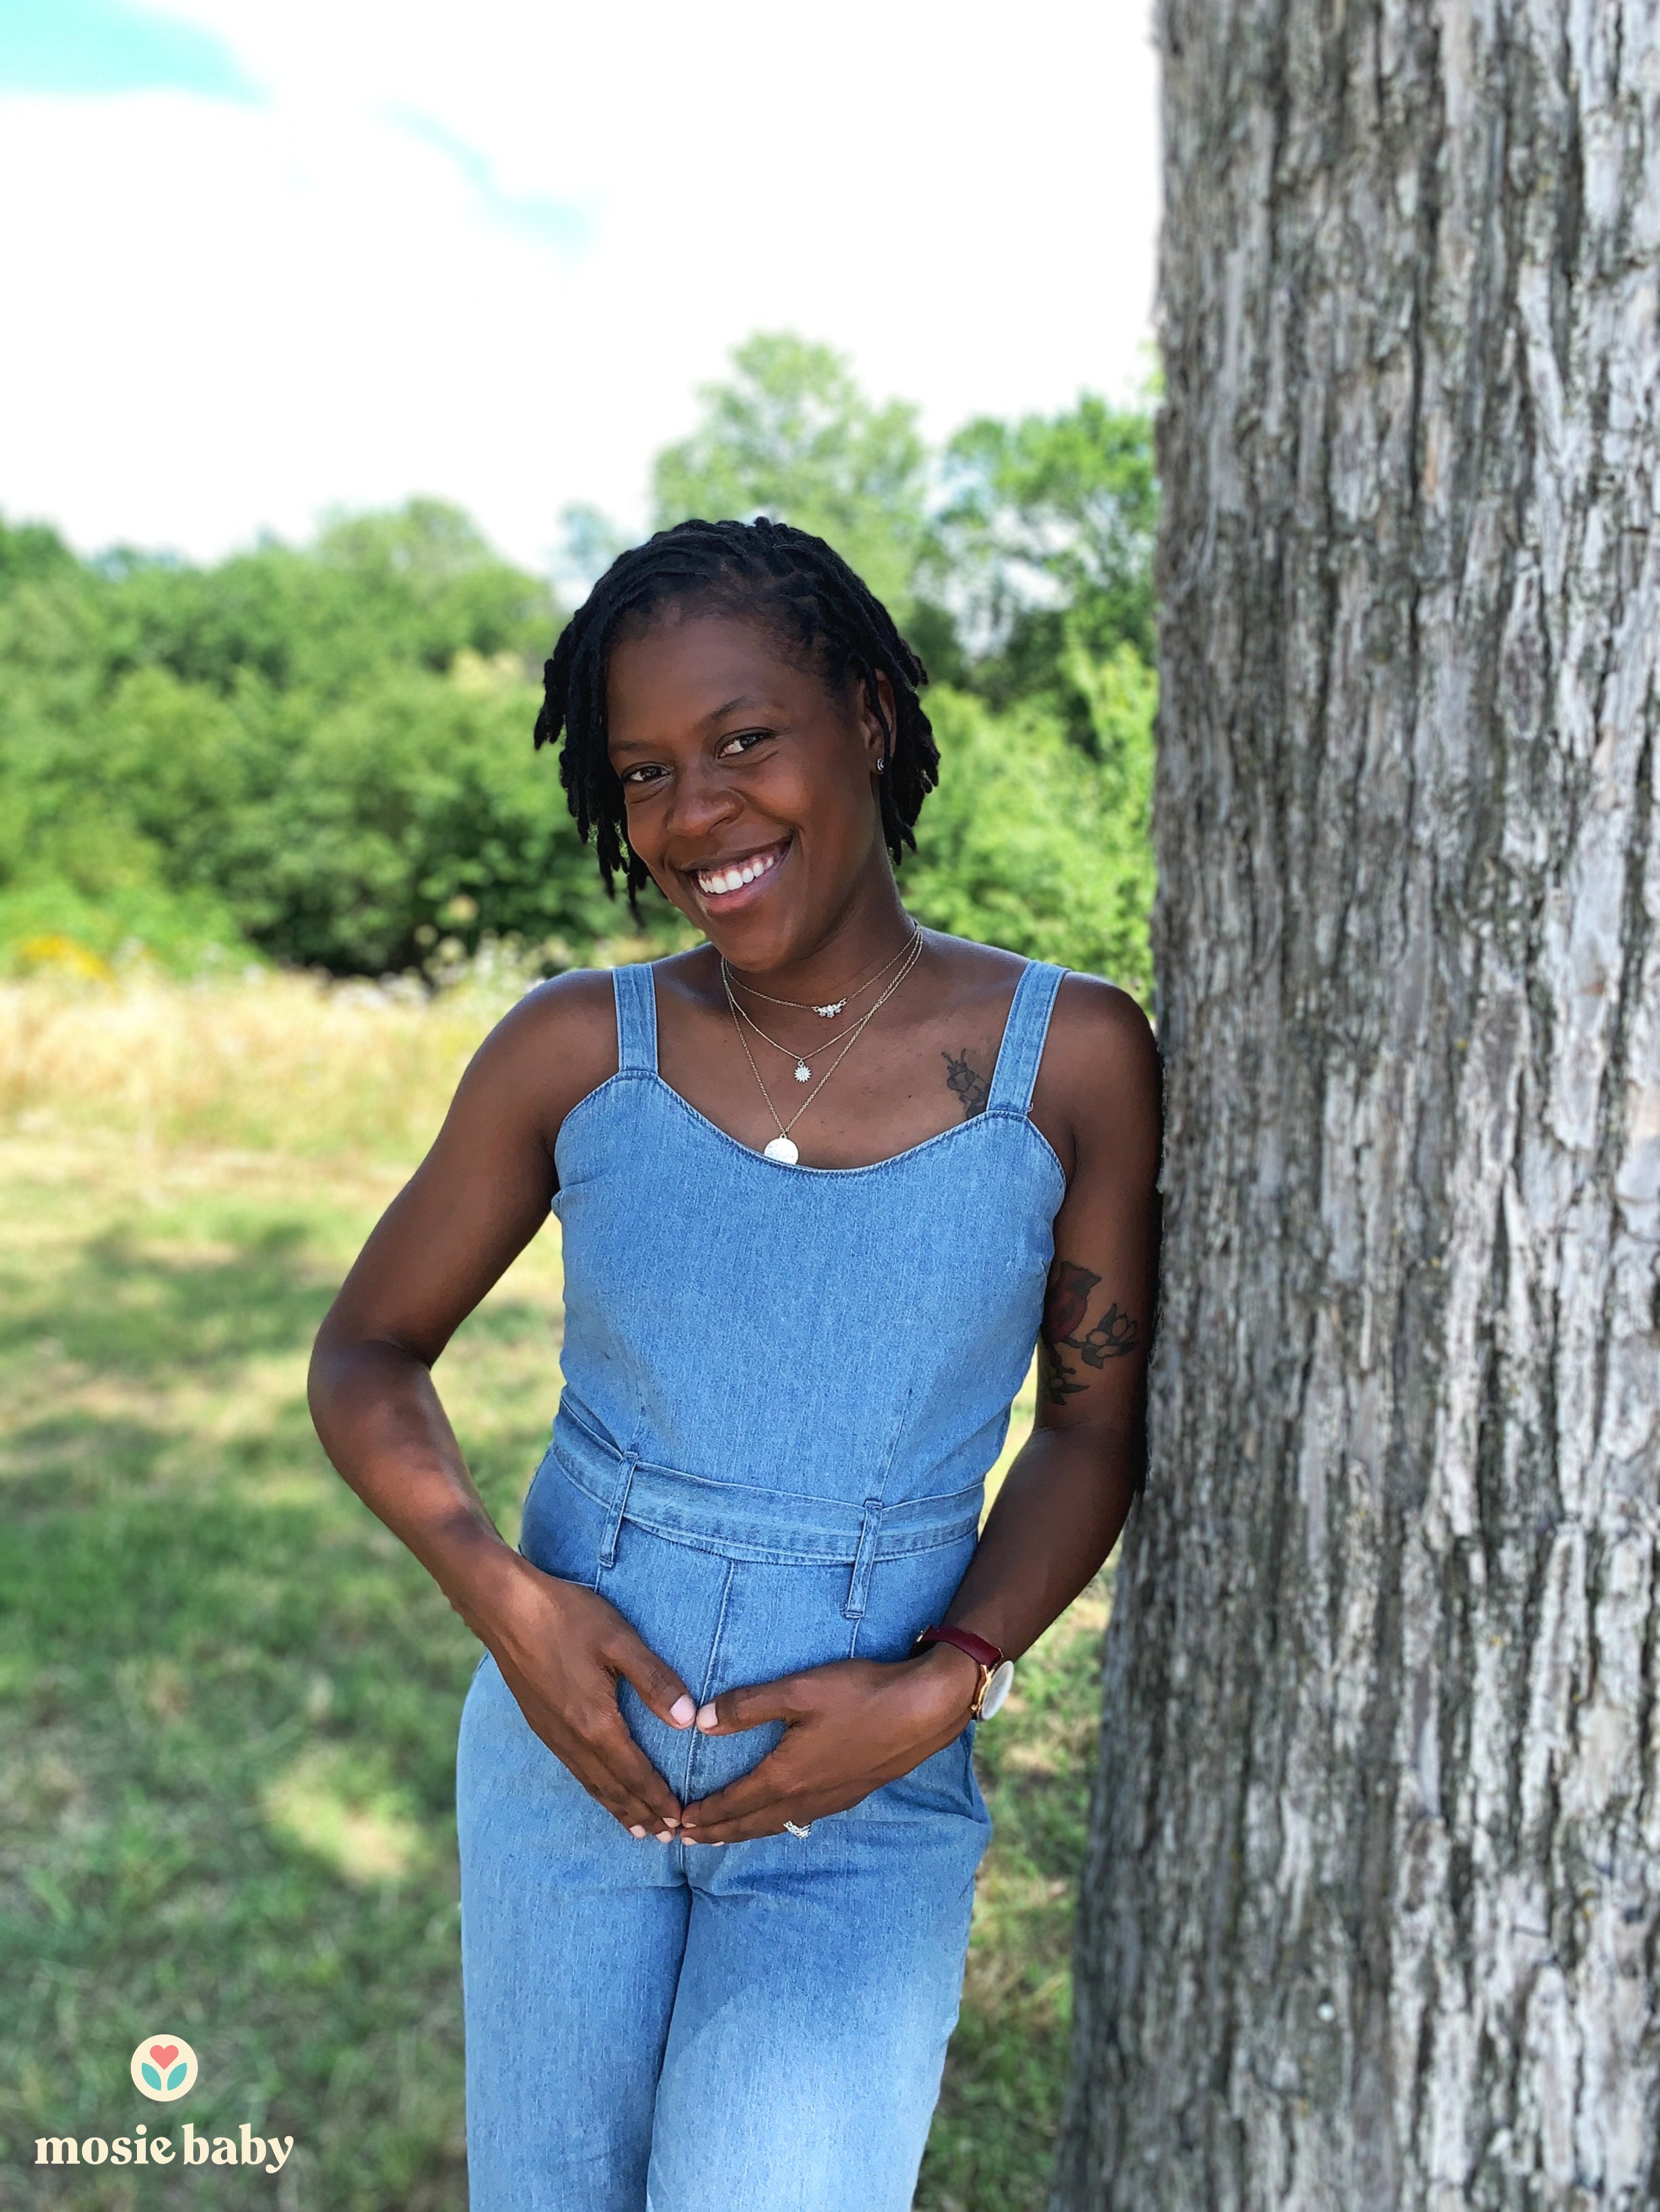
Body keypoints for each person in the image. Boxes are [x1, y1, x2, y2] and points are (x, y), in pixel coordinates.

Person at [307, 517, 1160, 2212]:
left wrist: (955, 1678)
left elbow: (1088, 1430)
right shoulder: (574, 1050)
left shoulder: (1066, 1057)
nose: (694, 816)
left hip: (866, 1782)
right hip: (569, 1751)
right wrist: (505, 1600)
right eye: (642, 774)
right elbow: (367, 1350)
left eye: (743, 741)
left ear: (872, 716)